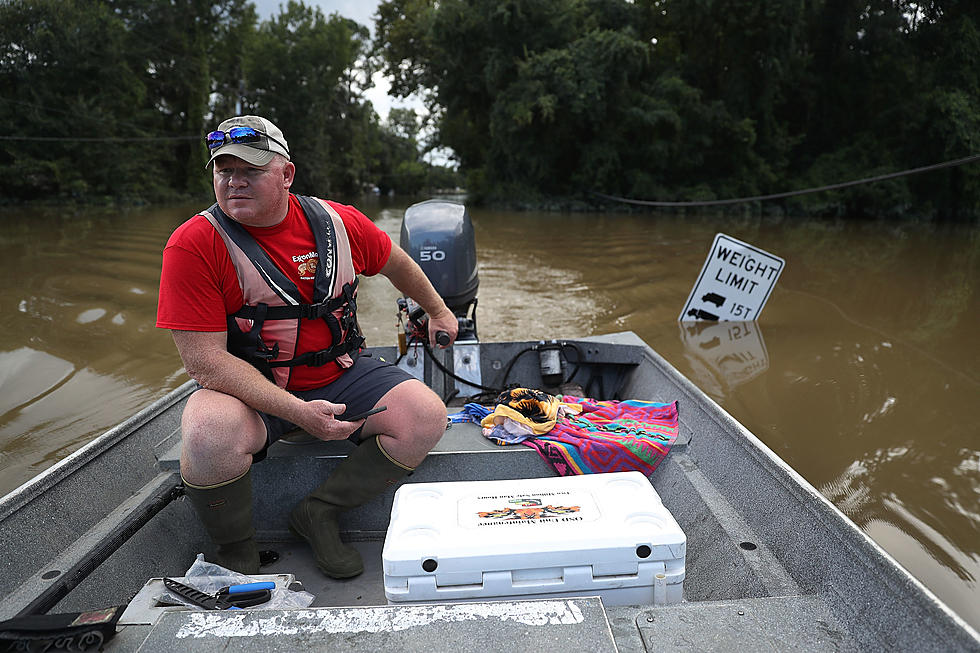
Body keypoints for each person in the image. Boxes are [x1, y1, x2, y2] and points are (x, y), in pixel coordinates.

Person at [156, 115, 458, 577]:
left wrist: (438, 311)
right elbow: (208, 364)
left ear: (286, 174)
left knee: (426, 415)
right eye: (224, 171)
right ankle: (235, 550)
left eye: (250, 171)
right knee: (206, 431)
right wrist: (298, 413)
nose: (234, 182)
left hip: (341, 373)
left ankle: (319, 511)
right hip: (251, 391)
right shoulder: (193, 244)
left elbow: (397, 263)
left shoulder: (339, 222)